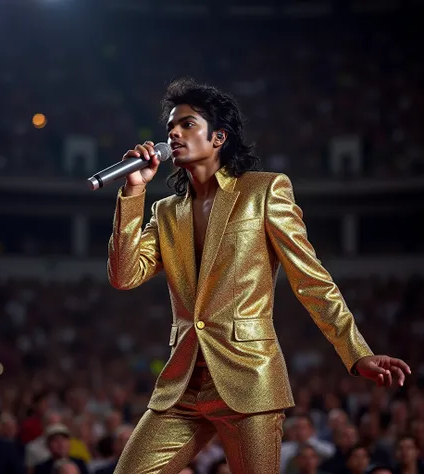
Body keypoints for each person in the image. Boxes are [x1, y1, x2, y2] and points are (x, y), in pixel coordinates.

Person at [107, 78, 411, 474]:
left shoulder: (264, 191)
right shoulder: (165, 211)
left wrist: (358, 354)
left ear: (218, 137)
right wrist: (133, 193)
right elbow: (124, 276)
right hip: (182, 384)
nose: (174, 134)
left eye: (186, 124)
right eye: (169, 128)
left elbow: (312, 280)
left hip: (249, 379)